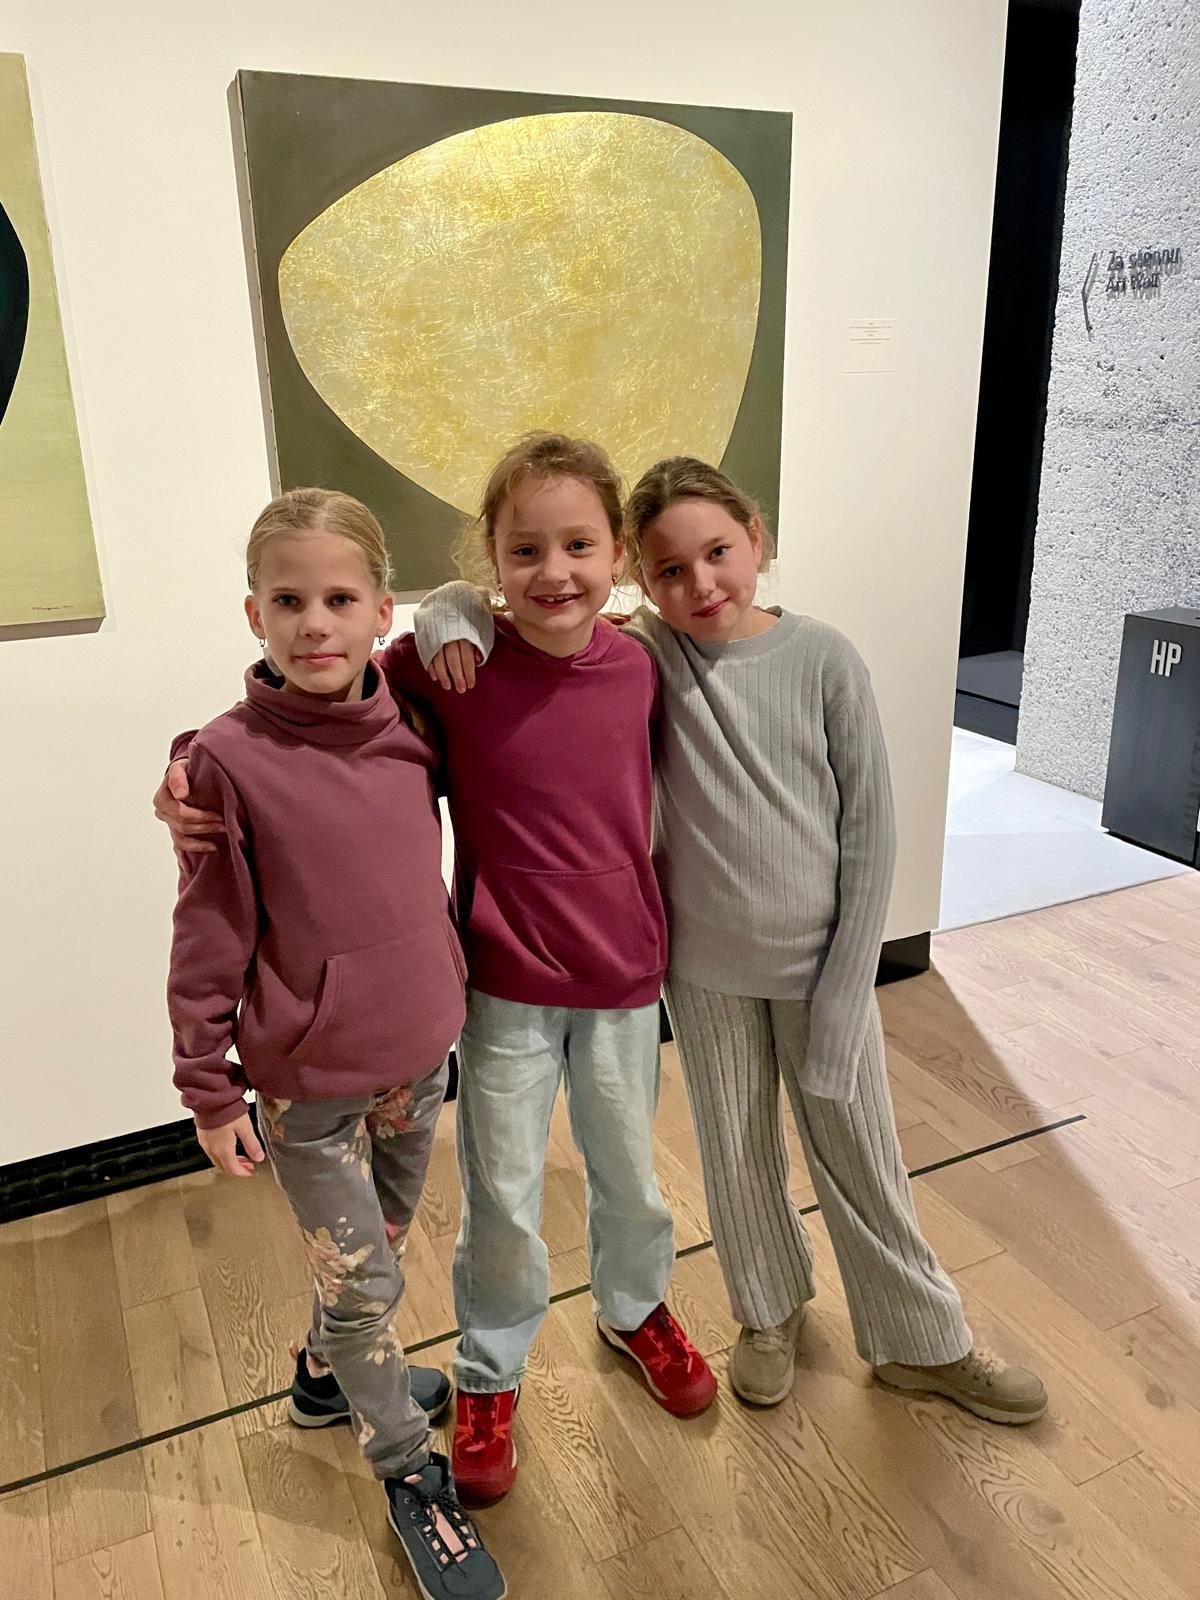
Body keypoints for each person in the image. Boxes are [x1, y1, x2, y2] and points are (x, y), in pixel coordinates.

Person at [418, 455, 1048, 1427]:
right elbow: (519, 618)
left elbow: (872, 834)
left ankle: (923, 1341)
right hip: (698, 973)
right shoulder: (644, 651)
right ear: (642, 577)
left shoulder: (809, 658)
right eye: (672, 570)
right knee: (731, 1158)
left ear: (756, 538)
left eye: (718, 553)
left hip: (807, 969)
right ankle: (763, 1313)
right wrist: (448, 607)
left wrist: (848, 985)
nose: (701, 584)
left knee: (857, 1157)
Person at [161, 440, 716, 1516]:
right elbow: (315, 696)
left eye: (579, 545)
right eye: (523, 550)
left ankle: (635, 1307)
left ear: (618, 555)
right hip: (500, 983)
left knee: (631, 1176)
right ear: (488, 560)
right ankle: (491, 1369)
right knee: (501, 1195)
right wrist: (188, 763)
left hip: (621, 978)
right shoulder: (453, 666)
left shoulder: (645, 662)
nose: (554, 571)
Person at [164, 488, 505, 1600]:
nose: (315, 623)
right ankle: (407, 1469)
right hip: (308, 1088)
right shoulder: (225, 763)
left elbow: (477, 617)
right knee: (365, 1287)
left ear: (380, 610)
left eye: (340, 599)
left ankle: (323, 1376)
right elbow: (209, 932)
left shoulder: (414, 720)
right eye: (288, 601)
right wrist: (209, 1089)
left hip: (420, 1056)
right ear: (253, 615)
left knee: (378, 1249)